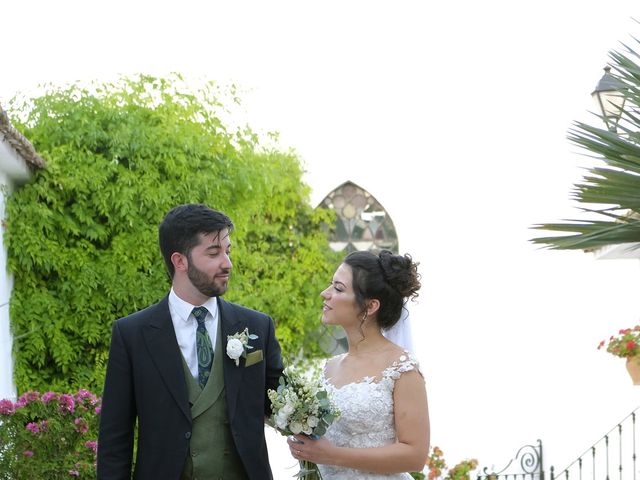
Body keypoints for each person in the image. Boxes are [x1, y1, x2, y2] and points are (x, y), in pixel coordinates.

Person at [97, 204, 284, 480]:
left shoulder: (257, 326)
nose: (227, 263)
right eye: (214, 253)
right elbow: (115, 438)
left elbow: (282, 404)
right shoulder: (132, 334)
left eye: (228, 251)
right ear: (180, 261)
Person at [287, 249, 430, 479]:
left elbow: (415, 455)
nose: (325, 294)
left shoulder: (401, 368)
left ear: (370, 306)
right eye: (330, 285)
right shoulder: (329, 368)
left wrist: (332, 455)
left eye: (338, 288)